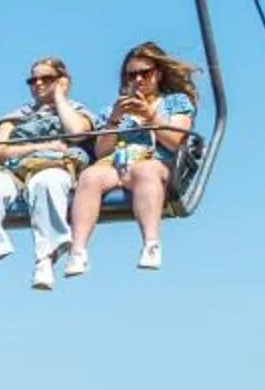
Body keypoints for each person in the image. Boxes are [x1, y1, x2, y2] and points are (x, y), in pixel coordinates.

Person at [0, 56, 94, 297]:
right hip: (14, 169)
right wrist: (39, 147)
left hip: (55, 167)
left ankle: (45, 258)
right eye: (33, 80)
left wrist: (59, 98)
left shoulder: (76, 111)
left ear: (62, 81)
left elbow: (76, 134)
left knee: (46, 183)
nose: (39, 84)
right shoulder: (15, 116)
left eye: (47, 79)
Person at [66, 41, 200, 276]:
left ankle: (151, 243)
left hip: (155, 160)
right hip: (117, 163)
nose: (138, 80)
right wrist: (115, 120)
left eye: (144, 74)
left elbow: (177, 140)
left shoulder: (174, 103)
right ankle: (78, 251)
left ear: (157, 75)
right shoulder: (115, 109)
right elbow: (101, 151)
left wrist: (151, 119)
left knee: (145, 171)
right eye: (132, 76)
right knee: (89, 176)